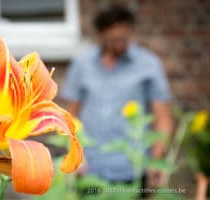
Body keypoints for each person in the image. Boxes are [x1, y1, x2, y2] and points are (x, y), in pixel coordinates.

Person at [61, 4, 173, 193]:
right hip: (91, 170)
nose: (120, 43)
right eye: (114, 39)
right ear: (100, 35)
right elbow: (70, 116)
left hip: (134, 168)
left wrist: (156, 160)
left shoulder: (148, 64)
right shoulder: (82, 64)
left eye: (124, 37)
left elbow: (163, 119)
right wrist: (75, 158)